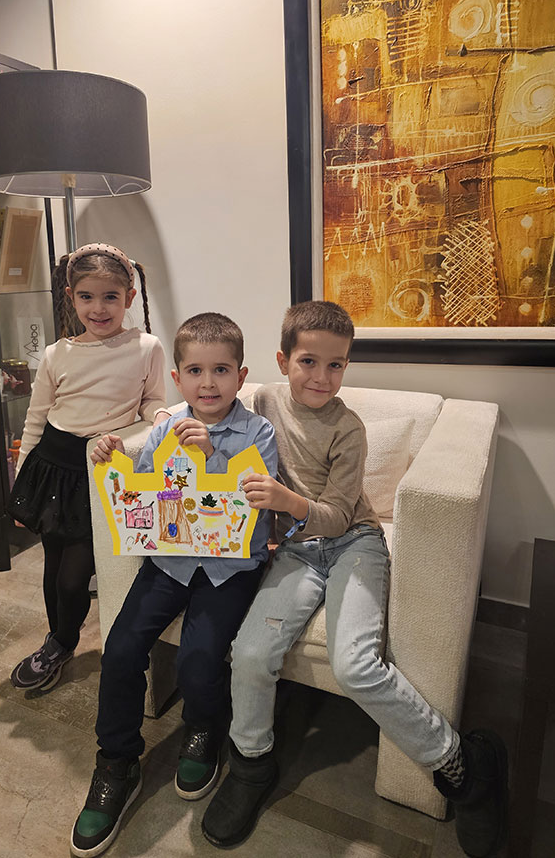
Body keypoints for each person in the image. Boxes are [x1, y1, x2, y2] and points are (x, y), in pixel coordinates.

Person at [201, 301, 508, 858]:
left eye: (336, 365)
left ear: (346, 366)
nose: (321, 377)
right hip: (295, 552)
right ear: (283, 361)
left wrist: (288, 501)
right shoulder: (263, 401)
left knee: (355, 664)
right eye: (308, 362)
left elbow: (340, 515)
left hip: (354, 543)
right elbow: (211, 410)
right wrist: (164, 421)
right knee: (249, 653)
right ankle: (250, 765)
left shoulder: (349, 429)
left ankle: (460, 761)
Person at [70, 313, 278, 858]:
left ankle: (204, 726)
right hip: (170, 560)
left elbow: (256, 507)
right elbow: (143, 485)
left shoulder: (259, 433)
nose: (208, 383)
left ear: (240, 376)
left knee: (200, 656)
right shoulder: (166, 427)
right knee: (120, 649)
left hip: (230, 568)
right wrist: (114, 457)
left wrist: (212, 457)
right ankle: (116, 762)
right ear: (178, 378)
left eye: (221, 370)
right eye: (196, 371)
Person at [8, 243, 169, 693]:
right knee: (53, 565)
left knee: (74, 576)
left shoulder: (146, 347)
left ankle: (64, 639)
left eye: (110, 297)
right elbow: (36, 419)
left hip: (98, 470)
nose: (99, 308)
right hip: (52, 464)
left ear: (129, 297)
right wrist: (21, 484)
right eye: (87, 297)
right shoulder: (57, 353)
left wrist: (157, 417)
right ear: (71, 297)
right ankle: (56, 642)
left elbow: (153, 399)